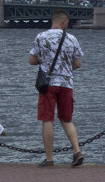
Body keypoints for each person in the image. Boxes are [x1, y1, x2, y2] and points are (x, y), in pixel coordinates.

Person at [28, 9, 84, 167]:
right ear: (64, 22)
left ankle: (50, 159)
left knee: (47, 119)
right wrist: (64, 67)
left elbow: (31, 60)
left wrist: (45, 60)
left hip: (48, 84)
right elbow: (78, 64)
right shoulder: (72, 39)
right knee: (66, 119)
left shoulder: (41, 37)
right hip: (67, 84)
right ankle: (77, 151)